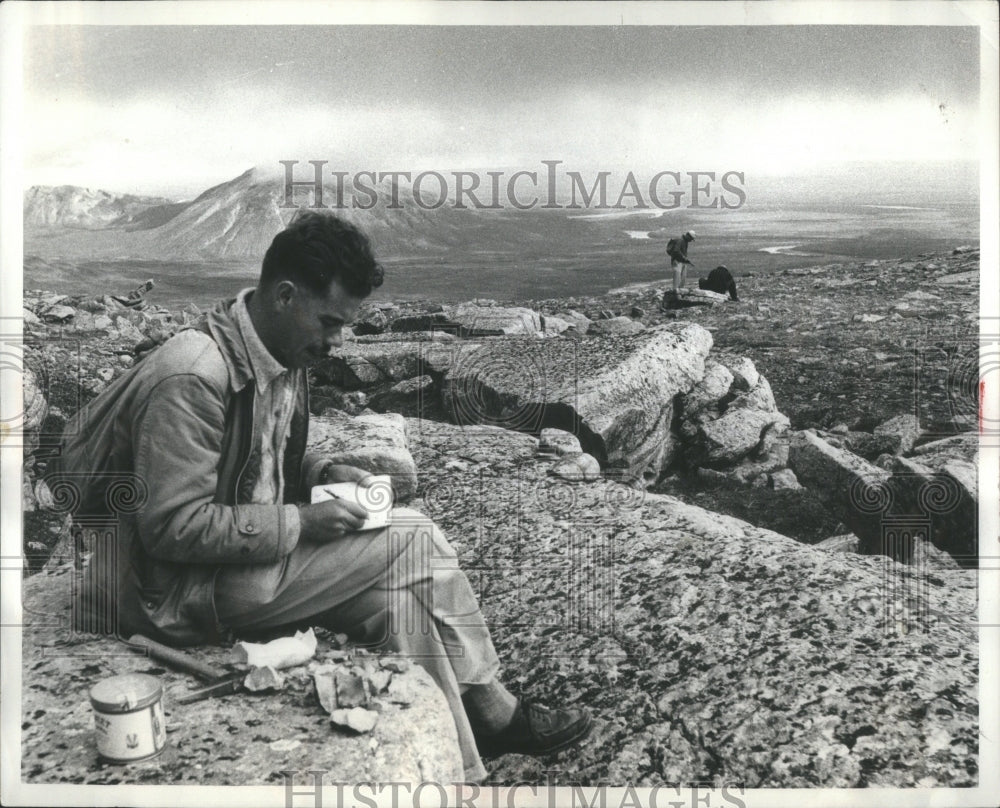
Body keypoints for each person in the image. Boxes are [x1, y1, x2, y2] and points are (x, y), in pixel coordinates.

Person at [58, 211, 592, 783]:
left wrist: (324, 469)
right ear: (285, 295)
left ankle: (458, 773)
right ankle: (492, 705)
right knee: (414, 539)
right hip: (177, 594)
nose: (338, 341)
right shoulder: (192, 377)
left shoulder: (280, 351)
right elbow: (171, 526)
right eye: (331, 321)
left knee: (398, 605)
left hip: (233, 568)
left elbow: (256, 462)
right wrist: (303, 523)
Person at [666, 230, 696, 295]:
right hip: (677, 262)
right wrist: (684, 258)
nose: (691, 240)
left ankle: (679, 294)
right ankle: (676, 295)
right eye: (691, 239)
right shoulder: (680, 240)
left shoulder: (684, 241)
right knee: (677, 280)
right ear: (688, 236)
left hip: (682, 262)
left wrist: (684, 259)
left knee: (682, 279)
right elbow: (676, 251)